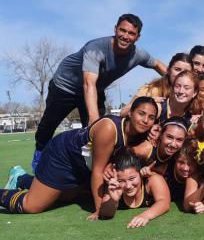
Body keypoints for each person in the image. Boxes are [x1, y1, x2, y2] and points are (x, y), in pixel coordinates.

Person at [33, 14, 167, 171]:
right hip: (65, 86)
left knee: (103, 134)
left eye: (131, 33)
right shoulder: (96, 48)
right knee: (48, 127)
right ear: (115, 29)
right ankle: (39, 156)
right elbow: (88, 83)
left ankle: (90, 167)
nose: (125, 36)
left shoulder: (138, 54)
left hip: (94, 89)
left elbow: (157, 64)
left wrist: (178, 81)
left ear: (138, 37)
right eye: (122, 30)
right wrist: (94, 120)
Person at [1, 97, 158, 218]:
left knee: (64, 197)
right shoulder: (110, 128)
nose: (145, 120)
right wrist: (99, 210)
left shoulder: (142, 135)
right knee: (32, 205)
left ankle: (21, 178)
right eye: (141, 113)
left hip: (81, 165)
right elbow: (98, 171)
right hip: (63, 156)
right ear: (130, 113)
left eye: (151, 117)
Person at [99, 149, 170, 228]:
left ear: (140, 173)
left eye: (132, 178)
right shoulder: (114, 186)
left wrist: (145, 216)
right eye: (121, 180)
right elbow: (104, 213)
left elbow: (164, 203)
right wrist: (113, 200)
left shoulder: (152, 179)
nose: (128, 185)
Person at [120, 52, 191, 117]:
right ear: (169, 70)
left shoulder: (193, 94)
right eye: (177, 69)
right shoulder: (152, 90)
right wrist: (147, 102)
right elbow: (123, 112)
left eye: (186, 72)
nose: (181, 74)